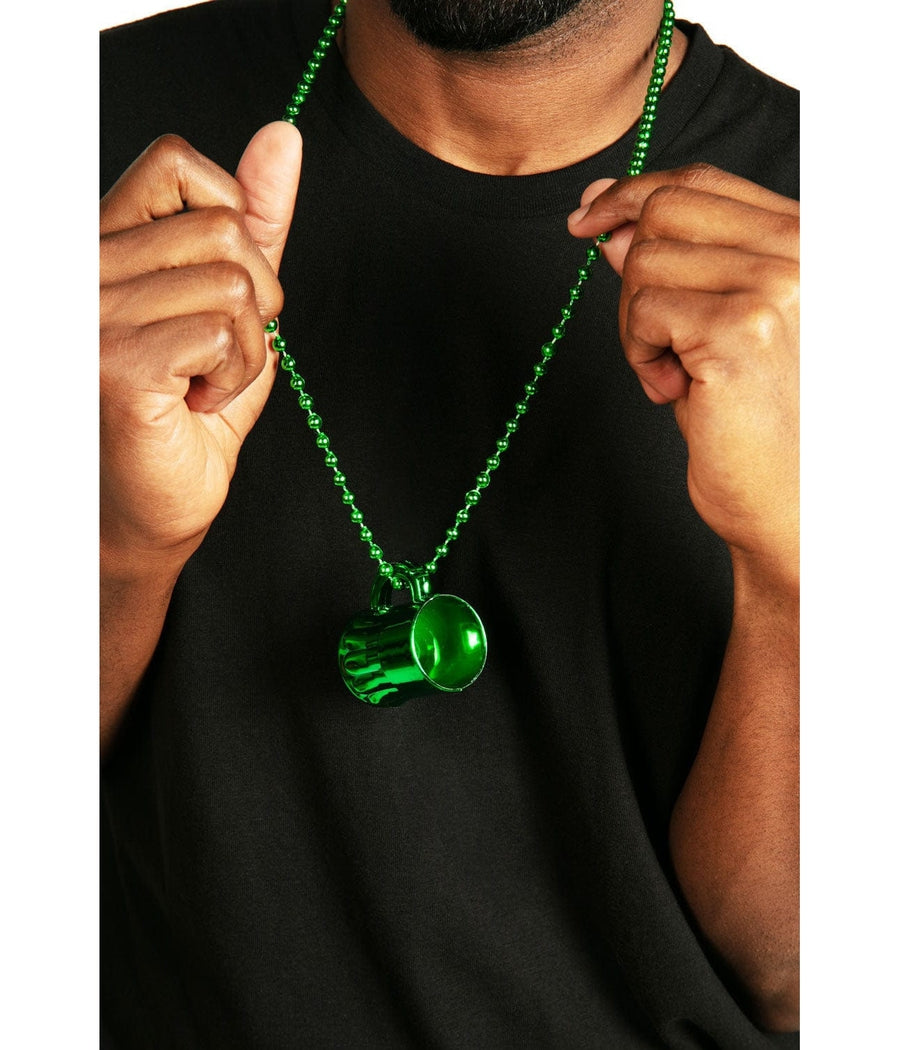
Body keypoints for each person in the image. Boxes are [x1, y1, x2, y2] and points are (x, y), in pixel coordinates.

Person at [100, 1, 799, 1046]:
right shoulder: (79, 127)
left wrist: (801, 573)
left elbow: (795, 977)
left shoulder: (841, 241)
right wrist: (114, 550)